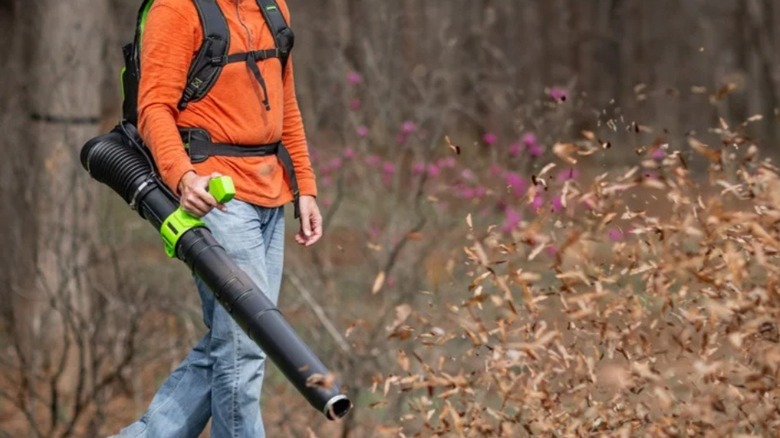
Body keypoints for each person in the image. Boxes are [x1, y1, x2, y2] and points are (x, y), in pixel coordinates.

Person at [114, 0, 321, 436]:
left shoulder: (272, 7)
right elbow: (154, 108)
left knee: (234, 346)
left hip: (271, 193)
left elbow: (288, 105)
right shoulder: (177, 9)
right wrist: (184, 178)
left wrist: (305, 186)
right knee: (246, 347)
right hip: (216, 199)